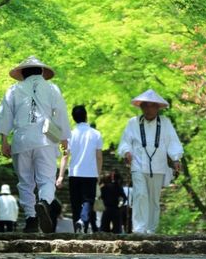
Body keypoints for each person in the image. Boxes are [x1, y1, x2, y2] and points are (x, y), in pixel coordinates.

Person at [0, 56, 71, 233]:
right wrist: (64, 139)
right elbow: (60, 114)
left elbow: (5, 115)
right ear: (42, 72)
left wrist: (4, 141)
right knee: (47, 179)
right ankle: (43, 201)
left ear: (22, 73)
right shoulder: (52, 88)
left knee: (25, 182)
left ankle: (30, 218)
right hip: (46, 139)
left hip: (21, 139)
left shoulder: (13, 89)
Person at [118, 89, 183, 234]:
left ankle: (151, 229)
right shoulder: (133, 123)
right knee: (140, 194)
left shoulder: (165, 123)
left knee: (153, 199)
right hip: (138, 164)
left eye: (152, 105)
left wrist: (176, 158)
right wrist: (126, 152)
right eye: (145, 105)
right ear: (141, 107)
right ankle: (139, 229)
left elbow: (173, 142)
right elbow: (124, 142)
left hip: (158, 166)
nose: (148, 109)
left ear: (158, 107)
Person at [56, 105, 103, 233]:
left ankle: (77, 227)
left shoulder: (70, 134)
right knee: (88, 200)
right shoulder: (96, 134)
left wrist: (60, 176)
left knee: (75, 202)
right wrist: (98, 174)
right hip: (90, 174)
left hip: (74, 174)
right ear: (86, 116)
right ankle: (83, 222)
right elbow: (99, 157)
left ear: (74, 118)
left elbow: (65, 156)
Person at [100, 169, 127, 233]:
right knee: (116, 229)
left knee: (104, 228)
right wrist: (121, 204)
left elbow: (101, 196)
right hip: (115, 208)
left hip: (107, 208)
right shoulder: (118, 186)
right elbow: (124, 197)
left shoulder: (104, 187)